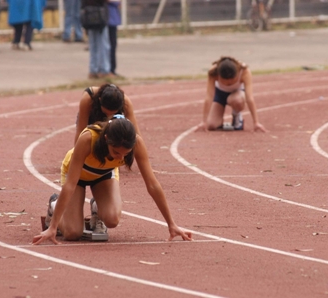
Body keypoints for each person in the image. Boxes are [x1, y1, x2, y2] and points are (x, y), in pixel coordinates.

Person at [32, 116, 192, 245]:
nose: (120, 157)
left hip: (104, 175)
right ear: (107, 139)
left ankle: (98, 205)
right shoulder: (88, 138)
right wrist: (53, 227)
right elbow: (70, 185)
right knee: (73, 233)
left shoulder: (137, 143)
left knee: (112, 220)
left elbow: (152, 184)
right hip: (78, 175)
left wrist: (171, 224)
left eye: (125, 154)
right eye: (116, 152)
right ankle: (54, 205)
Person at [198, 56, 267, 132]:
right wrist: (204, 122)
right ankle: (219, 121)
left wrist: (256, 122)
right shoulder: (213, 72)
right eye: (225, 81)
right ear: (219, 75)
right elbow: (209, 97)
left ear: (237, 73)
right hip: (220, 95)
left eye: (232, 80)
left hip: (237, 94)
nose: (229, 83)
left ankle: (236, 115)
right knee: (211, 125)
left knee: (237, 100)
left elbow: (249, 98)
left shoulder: (244, 71)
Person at [74, 83, 140, 144]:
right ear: (100, 100)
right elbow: (81, 131)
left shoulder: (126, 103)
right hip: (92, 118)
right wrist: (75, 152)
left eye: (112, 114)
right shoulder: (88, 98)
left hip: (113, 121)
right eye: (106, 112)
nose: (108, 116)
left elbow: (136, 134)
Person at [82, 0, 114, 79]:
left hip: (89, 13)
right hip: (99, 14)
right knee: (103, 44)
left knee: (93, 45)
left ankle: (93, 70)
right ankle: (104, 70)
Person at [107, 0, 121, 76]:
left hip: (112, 19)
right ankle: (109, 69)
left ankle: (112, 69)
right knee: (110, 45)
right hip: (107, 19)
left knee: (113, 45)